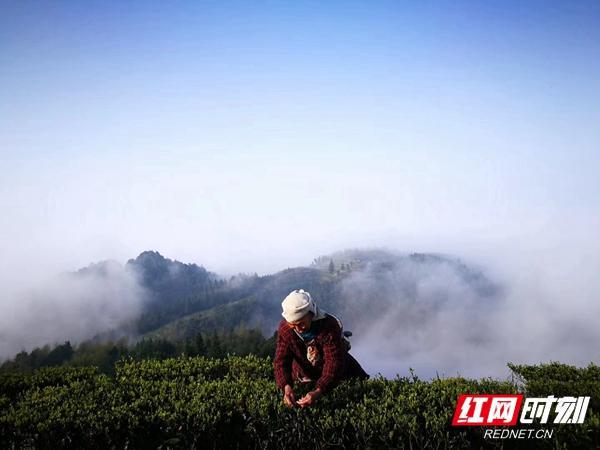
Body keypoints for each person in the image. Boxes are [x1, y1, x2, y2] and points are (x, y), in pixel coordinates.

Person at [273, 289, 368, 408]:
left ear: (311, 314)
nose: (298, 329)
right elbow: (281, 360)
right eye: (293, 325)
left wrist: (319, 390)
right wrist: (286, 387)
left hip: (342, 370)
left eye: (301, 323)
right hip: (304, 373)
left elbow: (333, 362)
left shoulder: (329, 325)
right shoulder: (285, 329)